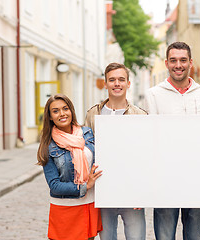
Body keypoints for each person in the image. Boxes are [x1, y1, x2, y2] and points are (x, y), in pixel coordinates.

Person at [144, 41, 200, 240]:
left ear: (191, 62)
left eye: (183, 60)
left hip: (197, 176)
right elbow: (151, 138)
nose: (178, 65)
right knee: (165, 236)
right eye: (173, 60)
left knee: (194, 236)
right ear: (166, 63)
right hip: (165, 178)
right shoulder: (154, 95)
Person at [85, 62, 147, 240]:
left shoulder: (140, 115)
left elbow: (145, 157)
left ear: (128, 83)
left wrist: (142, 192)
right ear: (105, 84)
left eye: (121, 79)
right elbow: (87, 151)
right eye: (112, 80)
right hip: (103, 190)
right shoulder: (92, 114)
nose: (116, 84)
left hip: (132, 192)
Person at [37, 94, 103, 240]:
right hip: (65, 208)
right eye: (55, 111)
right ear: (49, 116)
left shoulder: (87, 133)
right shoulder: (48, 146)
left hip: (88, 204)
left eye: (65, 108)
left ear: (71, 110)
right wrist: (85, 186)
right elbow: (54, 185)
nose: (62, 114)